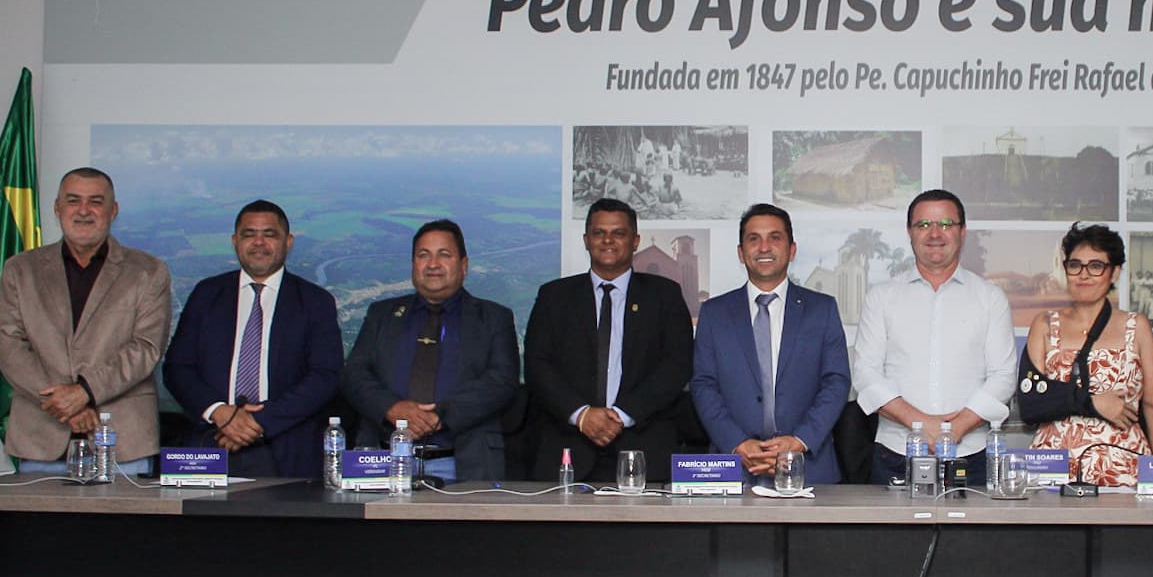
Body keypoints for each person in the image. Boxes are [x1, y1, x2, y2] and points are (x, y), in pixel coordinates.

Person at [0, 167, 171, 474]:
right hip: (41, 437)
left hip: (123, 441)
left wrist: (84, 392)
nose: (84, 211)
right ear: (57, 208)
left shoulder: (148, 271)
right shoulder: (20, 270)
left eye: (96, 202)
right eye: (73, 200)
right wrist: (64, 404)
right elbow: (10, 347)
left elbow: (146, 348)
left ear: (113, 210)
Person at [163, 200, 345, 479]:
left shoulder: (315, 301)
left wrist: (256, 422)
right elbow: (177, 368)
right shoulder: (207, 294)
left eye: (269, 234)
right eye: (249, 234)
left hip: (286, 450)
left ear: (288, 242)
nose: (259, 242)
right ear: (235, 241)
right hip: (211, 443)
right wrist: (220, 413)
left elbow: (325, 376)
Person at [852, 189, 1016, 486]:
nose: (935, 234)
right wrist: (921, 425)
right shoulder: (882, 297)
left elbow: (1003, 376)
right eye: (924, 225)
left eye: (946, 224)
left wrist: (955, 429)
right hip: (896, 454)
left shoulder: (990, 297)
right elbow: (866, 374)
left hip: (971, 456)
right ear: (909, 232)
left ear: (962, 232)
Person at [523, 197, 694, 481]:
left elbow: (677, 364)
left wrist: (622, 415)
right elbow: (537, 365)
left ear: (635, 241)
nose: (608, 241)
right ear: (586, 240)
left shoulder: (665, 295)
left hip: (644, 450)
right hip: (567, 448)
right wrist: (582, 415)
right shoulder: (554, 296)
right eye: (599, 233)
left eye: (618, 233)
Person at [340, 220, 520, 481]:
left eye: (444, 254)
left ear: (464, 265)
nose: (433, 264)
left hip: (462, 463)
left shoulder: (493, 318)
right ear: (413, 264)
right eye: (423, 255)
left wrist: (438, 417)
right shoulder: (382, 314)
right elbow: (354, 373)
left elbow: (502, 381)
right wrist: (392, 408)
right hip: (383, 461)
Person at [690, 204, 851, 483]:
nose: (764, 247)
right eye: (754, 239)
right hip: (734, 466)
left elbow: (836, 381)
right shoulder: (715, 313)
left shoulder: (822, 309)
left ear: (792, 249)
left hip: (808, 466)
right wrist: (737, 443)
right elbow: (704, 384)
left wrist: (800, 441)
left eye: (775, 237)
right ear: (741, 252)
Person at [1022, 223, 1153, 485]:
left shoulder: (1136, 327)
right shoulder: (1044, 325)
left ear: (1114, 273)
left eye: (1096, 266)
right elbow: (1031, 401)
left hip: (1123, 467)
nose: (1084, 275)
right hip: (1052, 468)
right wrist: (1092, 402)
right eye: (1075, 265)